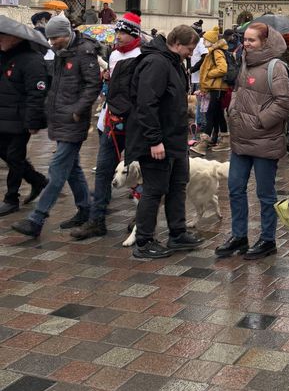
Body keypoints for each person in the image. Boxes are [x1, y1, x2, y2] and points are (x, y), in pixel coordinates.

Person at [12, 14, 101, 238]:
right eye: (50, 39)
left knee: (57, 170)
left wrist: (77, 110)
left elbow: (93, 86)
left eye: (55, 38)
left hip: (73, 120)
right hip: (60, 118)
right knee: (72, 169)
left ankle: (37, 219)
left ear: (66, 33)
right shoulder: (62, 53)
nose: (51, 42)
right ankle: (85, 209)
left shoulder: (85, 52)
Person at [215, 23, 289, 261]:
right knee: (235, 188)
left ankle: (268, 239)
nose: (246, 44)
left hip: (264, 140)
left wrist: (260, 121)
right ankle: (239, 236)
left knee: (265, 193)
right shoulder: (245, 62)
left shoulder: (276, 66)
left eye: (252, 40)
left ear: (265, 43)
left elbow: (285, 102)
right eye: (245, 39)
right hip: (241, 140)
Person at [124, 25, 202, 259]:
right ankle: (144, 241)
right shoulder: (156, 63)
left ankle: (177, 233)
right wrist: (154, 140)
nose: (190, 54)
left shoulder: (173, 61)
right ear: (177, 44)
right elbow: (146, 104)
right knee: (154, 189)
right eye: (189, 49)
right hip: (158, 141)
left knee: (178, 184)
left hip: (175, 138)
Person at [70, 13, 144, 240]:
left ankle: (140, 218)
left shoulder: (142, 56)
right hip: (110, 123)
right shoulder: (113, 55)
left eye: (122, 33)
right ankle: (96, 220)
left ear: (132, 34)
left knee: (138, 173)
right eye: (117, 32)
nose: (118, 37)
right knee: (103, 171)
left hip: (133, 125)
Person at [0, 19, 49, 215]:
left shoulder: (32, 60)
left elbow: (36, 94)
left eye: (2, 36)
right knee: (8, 155)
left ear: (14, 38)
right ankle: (38, 180)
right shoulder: (3, 56)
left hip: (21, 119)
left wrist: (32, 122)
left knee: (14, 156)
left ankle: (11, 198)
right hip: (3, 115)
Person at [193, 26, 229, 156]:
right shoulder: (212, 52)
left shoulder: (216, 52)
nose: (203, 42)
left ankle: (203, 142)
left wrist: (209, 73)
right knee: (218, 114)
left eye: (206, 40)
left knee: (210, 114)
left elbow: (222, 68)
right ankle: (225, 140)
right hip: (215, 87)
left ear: (211, 41)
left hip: (218, 87)